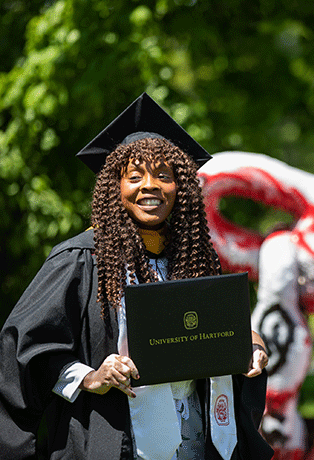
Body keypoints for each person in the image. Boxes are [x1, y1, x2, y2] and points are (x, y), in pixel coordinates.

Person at [0, 92, 275, 460]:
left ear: (181, 188)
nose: (150, 186)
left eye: (164, 175)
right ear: (115, 188)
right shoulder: (82, 259)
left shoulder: (195, 259)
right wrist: (89, 376)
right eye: (135, 176)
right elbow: (24, 346)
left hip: (200, 442)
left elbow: (215, 334)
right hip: (121, 442)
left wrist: (250, 343)